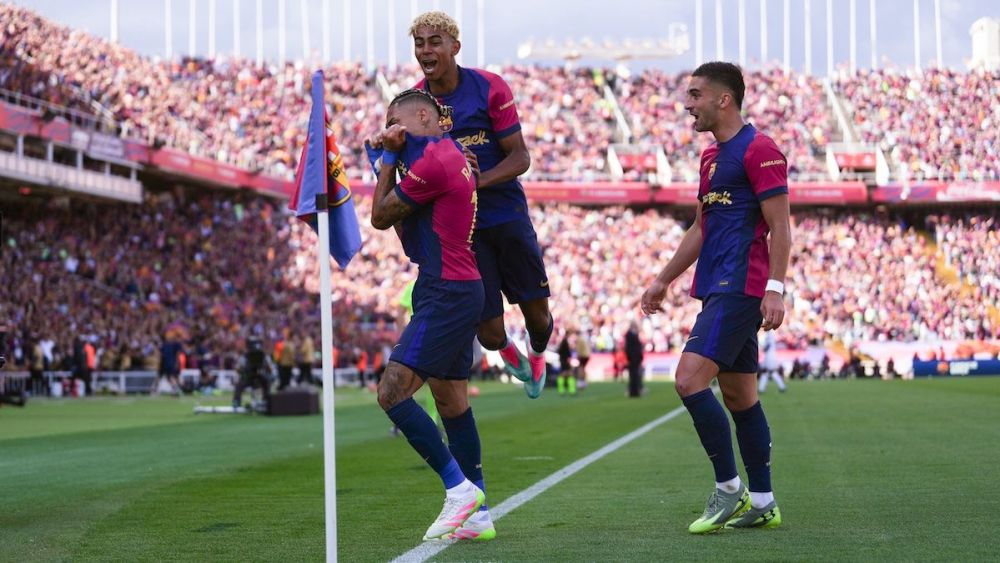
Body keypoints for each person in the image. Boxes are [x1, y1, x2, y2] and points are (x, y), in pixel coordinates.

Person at [640, 62, 791, 533]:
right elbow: (702, 227)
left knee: (687, 380)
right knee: (740, 396)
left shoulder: (760, 149)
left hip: (742, 286)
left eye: (695, 94)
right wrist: (663, 278)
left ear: (724, 99)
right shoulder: (710, 158)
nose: (688, 104)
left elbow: (782, 227)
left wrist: (776, 288)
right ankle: (763, 502)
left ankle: (730, 488)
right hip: (716, 287)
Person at [409, 11, 552, 399]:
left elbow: (520, 158)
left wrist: (474, 181)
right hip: (462, 232)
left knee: (539, 319)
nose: (426, 50)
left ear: (455, 47)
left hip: (506, 216)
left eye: (434, 41)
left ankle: (538, 354)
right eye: (419, 43)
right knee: (489, 335)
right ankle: (511, 354)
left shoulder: (490, 87)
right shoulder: (414, 104)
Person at [367, 89, 489, 541]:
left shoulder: (435, 160)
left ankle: (459, 490)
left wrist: (384, 158)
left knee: (392, 393)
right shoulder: (451, 152)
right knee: (451, 401)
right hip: (457, 285)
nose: (392, 130)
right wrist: (395, 150)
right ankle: (478, 514)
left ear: (423, 115)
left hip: (446, 290)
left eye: (395, 120)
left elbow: (380, 215)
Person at [625, 322, 644, 398]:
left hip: (634, 358)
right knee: (634, 375)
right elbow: (631, 348)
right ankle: (634, 391)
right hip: (633, 358)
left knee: (635, 375)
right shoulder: (630, 334)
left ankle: (635, 391)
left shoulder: (631, 334)